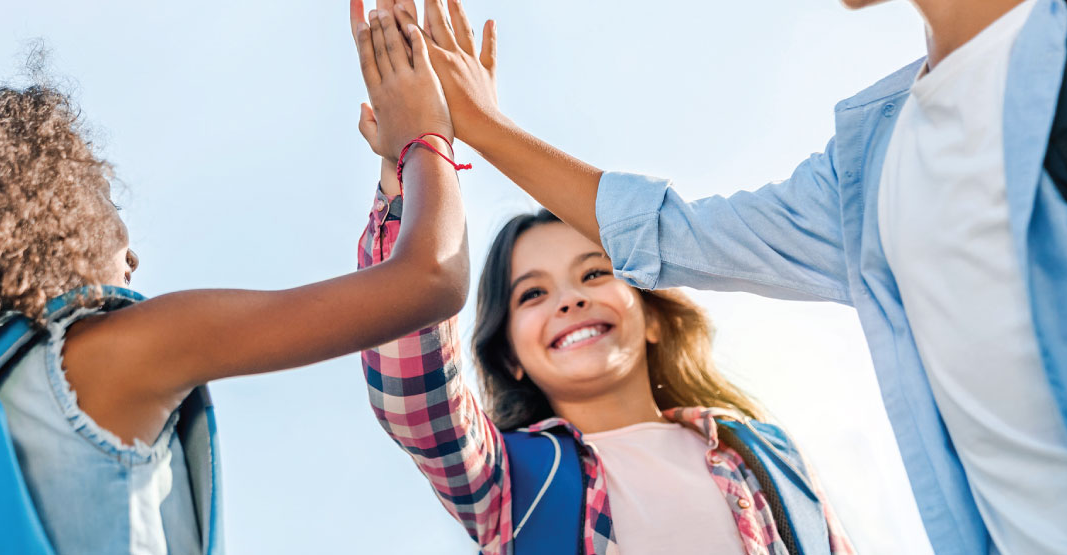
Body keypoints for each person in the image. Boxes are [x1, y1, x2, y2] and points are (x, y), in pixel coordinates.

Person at [391, 0, 1067, 553]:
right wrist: (475, 130)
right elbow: (671, 230)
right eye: (530, 293)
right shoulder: (867, 171)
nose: (568, 297)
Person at [0, 20, 466, 552]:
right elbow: (430, 276)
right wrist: (424, 136)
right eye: (104, 205)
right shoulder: (105, 356)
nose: (132, 255)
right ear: (42, 214)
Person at [353, 7, 855, 554]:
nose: (570, 300)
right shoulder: (510, 480)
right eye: (533, 294)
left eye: (595, 272)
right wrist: (418, 157)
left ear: (655, 319)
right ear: (511, 356)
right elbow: (414, 392)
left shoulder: (771, 457)